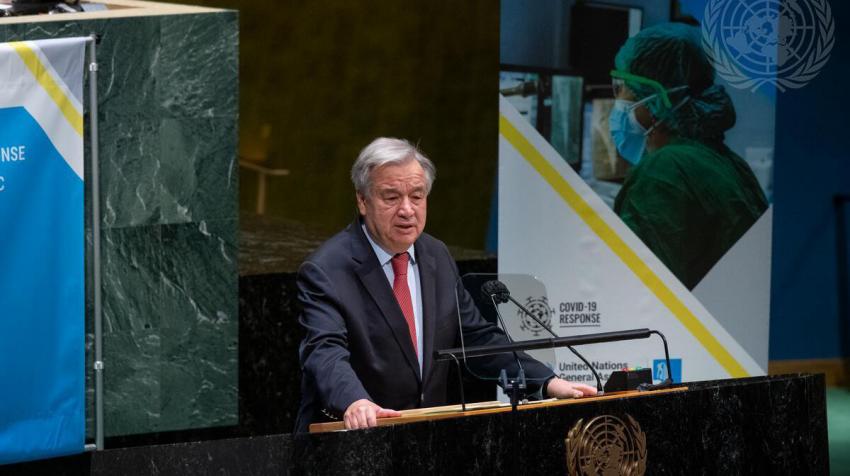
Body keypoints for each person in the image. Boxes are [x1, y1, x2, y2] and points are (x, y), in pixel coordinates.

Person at [295, 137, 596, 432]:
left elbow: (477, 338)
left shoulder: (435, 256)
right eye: (391, 197)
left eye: (416, 196)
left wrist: (546, 382)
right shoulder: (327, 269)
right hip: (354, 441)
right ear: (362, 200)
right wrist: (355, 401)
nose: (407, 209)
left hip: (427, 440)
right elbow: (324, 351)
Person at [609, 23, 768, 290]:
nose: (617, 100)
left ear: (656, 99)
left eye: (622, 88)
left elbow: (631, 291)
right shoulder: (724, 160)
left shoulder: (664, 170)